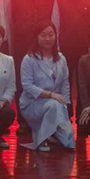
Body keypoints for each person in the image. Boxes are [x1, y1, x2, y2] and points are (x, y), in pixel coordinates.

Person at [11, 0, 58, 136]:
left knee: (43, 79)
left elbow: (53, 17)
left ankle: (43, 119)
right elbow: (13, 16)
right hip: (22, 42)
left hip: (44, 43)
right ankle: (23, 121)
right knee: (22, 82)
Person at [19, 21, 73, 152]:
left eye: (50, 34)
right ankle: (41, 140)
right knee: (53, 105)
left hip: (56, 104)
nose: (47, 38)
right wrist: (50, 95)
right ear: (36, 37)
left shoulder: (61, 58)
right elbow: (27, 85)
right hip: (33, 103)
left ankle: (50, 135)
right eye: (43, 35)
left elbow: (65, 83)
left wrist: (66, 105)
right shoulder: (29, 59)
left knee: (69, 140)